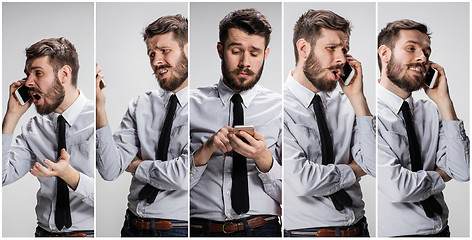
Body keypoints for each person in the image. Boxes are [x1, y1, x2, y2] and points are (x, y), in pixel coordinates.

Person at [189, 8, 282, 237]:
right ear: (221, 50)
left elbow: (298, 195)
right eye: (236, 51)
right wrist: (205, 151)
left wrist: (264, 159)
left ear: (266, 54)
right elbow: (170, 188)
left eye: (254, 53)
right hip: (201, 230)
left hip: (262, 230)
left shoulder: (281, 109)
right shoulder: (188, 105)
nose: (244, 62)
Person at [283, 10, 375, 237]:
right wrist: (354, 169)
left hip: (359, 229)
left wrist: (358, 99)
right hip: (308, 234)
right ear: (303, 49)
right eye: (331, 48)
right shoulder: (278, 107)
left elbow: (374, 163)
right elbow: (303, 181)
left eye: (344, 50)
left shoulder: (348, 102)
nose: (341, 59)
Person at [95, 15, 189, 237]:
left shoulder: (206, 105)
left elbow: (184, 175)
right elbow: (110, 170)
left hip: (178, 229)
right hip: (132, 226)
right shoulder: (141, 104)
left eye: (165, 51)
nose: (156, 61)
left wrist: (136, 165)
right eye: (151, 54)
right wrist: (100, 107)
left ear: (187, 49)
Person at [377, 19, 469, 237]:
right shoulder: (368, 113)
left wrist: (445, 102)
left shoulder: (432, 110)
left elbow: (462, 171)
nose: (422, 58)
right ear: (385, 53)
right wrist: (442, 174)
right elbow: (399, 188)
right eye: (411, 48)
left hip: (442, 231)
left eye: (426, 52)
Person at [2, 37, 94, 237]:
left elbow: (110, 193)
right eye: (27, 74)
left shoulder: (98, 121)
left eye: (38, 73)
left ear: (64, 74)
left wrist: (70, 175)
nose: (28, 82)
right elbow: (2, 177)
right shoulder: (35, 127)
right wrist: (10, 119)